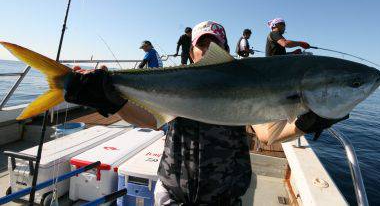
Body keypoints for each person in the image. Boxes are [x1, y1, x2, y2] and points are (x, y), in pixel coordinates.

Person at [63, 20, 346, 206]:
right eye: (201, 43)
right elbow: (150, 120)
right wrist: (110, 100)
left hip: (224, 198)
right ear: (193, 51)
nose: (207, 48)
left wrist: (305, 123)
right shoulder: (176, 86)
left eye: (214, 44)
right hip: (173, 194)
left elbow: (267, 133)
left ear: (223, 49)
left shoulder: (247, 84)